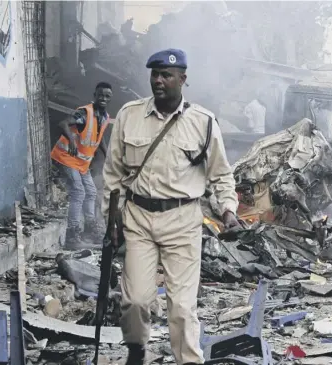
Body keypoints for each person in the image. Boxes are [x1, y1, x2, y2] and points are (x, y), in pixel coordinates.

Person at [102, 49, 240, 365]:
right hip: (138, 218)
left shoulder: (203, 123)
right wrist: (110, 222)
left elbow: (221, 174)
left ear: (183, 79)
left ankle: (188, 361)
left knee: (181, 307)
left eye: (166, 75)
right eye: (155, 74)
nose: (159, 81)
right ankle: (136, 349)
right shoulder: (129, 115)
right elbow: (113, 174)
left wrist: (228, 211)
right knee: (135, 301)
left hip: (183, 219)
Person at [51, 82, 113, 250]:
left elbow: (100, 137)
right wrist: (71, 139)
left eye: (107, 96)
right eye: (100, 95)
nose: (103, 98)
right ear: (95, 95)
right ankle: (73, 236)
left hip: (81, 163)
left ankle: (90, 232)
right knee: (79, 192)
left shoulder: (104, 117)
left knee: (91, 192)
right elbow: (63, 123)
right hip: (66, 157)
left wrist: (107, 155)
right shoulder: (85, 113)